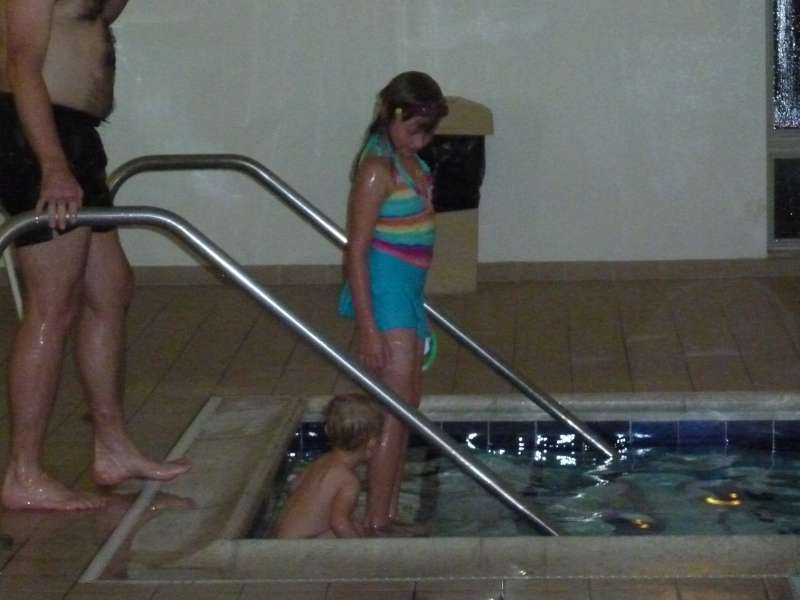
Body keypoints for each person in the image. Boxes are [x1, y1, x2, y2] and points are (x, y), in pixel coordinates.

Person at [0, 0, 190, 511]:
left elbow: (96, 16)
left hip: (75, 136)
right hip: (37, 138)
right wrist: (52, 164)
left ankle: (112, 448)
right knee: (52, 306)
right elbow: (21, 62)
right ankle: (23, 472)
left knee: (111, 289)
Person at [338, 71, 448, 532]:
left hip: (407, 297)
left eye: (428, 132)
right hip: (387, 299)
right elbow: (356, 252)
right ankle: (377, 517)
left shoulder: (407, 160)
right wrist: (369, 328)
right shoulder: (376, 170)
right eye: (414, 130)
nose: (421, 141)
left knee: (405, 412)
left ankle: (387, 510)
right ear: (391, 114)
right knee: (393, 415)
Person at [274, 394, 383, 539]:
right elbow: (339, 524)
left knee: (355, 525)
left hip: (280, 536)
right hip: (300, 545)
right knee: (357, 530)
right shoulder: (349, 482)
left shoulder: (323, 460)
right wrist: (362, 549)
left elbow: (294, 485)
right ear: (371, 443)